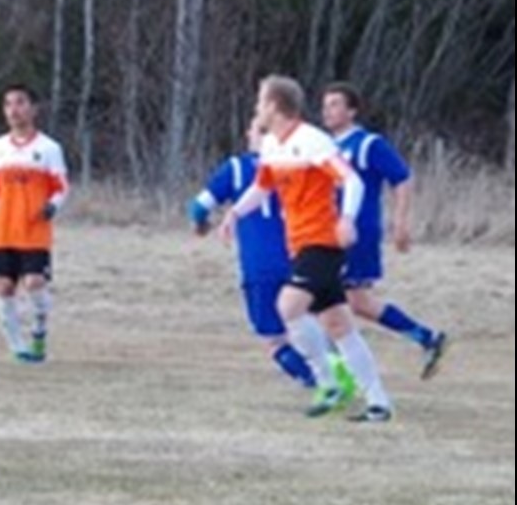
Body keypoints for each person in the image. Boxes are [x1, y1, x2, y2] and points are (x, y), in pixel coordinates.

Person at [221, 75, 394, 422]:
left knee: (288, 305)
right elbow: (262, 188)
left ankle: (327, 382)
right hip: (299, 244)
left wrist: (346, 219)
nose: (256, 109)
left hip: (323, 243)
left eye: (260, 102)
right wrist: (235, 213)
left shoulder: (312, 141)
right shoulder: (271, 145)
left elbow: (352, 180)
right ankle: (379, 403)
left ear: (274, 106)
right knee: (338, 325)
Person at [322, 82, 448, 378]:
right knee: (354, 302)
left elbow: (402, 179)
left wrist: (401, 221)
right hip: (330, 233)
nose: (327, 110)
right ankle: (427, 338)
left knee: (328, 301)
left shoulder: (367, 144)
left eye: (335, 104)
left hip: (356, 232)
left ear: (352, 111)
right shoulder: (327, 147)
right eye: (325, 104)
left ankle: (337, 376)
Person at [190, 118, 318, 390]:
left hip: (259, 264)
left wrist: (201, 224)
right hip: (300, 257)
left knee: (274, 339)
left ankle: (315, 379)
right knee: (309, 321)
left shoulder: (236, 169)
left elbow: (199, 206)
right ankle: (334, 370)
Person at [0, 85, 68, 362]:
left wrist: (52, 206)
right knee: (4, 287)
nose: (14, 110)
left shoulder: (48, 148)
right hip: (3, 231)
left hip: (33, 231)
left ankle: (40, 333)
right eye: (8, 104)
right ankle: (17, 345)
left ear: (33, 108)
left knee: (34, 282)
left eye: (20, 103)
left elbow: (62, 187)